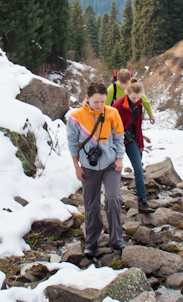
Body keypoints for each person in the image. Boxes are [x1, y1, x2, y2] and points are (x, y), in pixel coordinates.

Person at [67, 82, 127, 257]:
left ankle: (116, 239)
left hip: (110, 165)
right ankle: (92, 242)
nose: (99, 105)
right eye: (96, 102)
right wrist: (76, 166)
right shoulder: (75, 117)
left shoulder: (112, 113)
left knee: (112, 199)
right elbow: (72, 143)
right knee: (91, 204)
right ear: (87, 98)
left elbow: (119, 138)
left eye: (102, 101)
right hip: (88, 167)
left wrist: (119, 160)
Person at [113, 78, 154, 214]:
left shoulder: (139, 103)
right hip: (117, 139)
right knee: (113, 170)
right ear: (127, 94)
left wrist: (140, 143)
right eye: (133, 97)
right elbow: (110, 122)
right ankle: (112, 201)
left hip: (131, 138)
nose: (136, 100)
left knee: (138, 168)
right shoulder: (119, 104)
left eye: (138, 97)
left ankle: (142, 200)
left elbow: (138, 126)